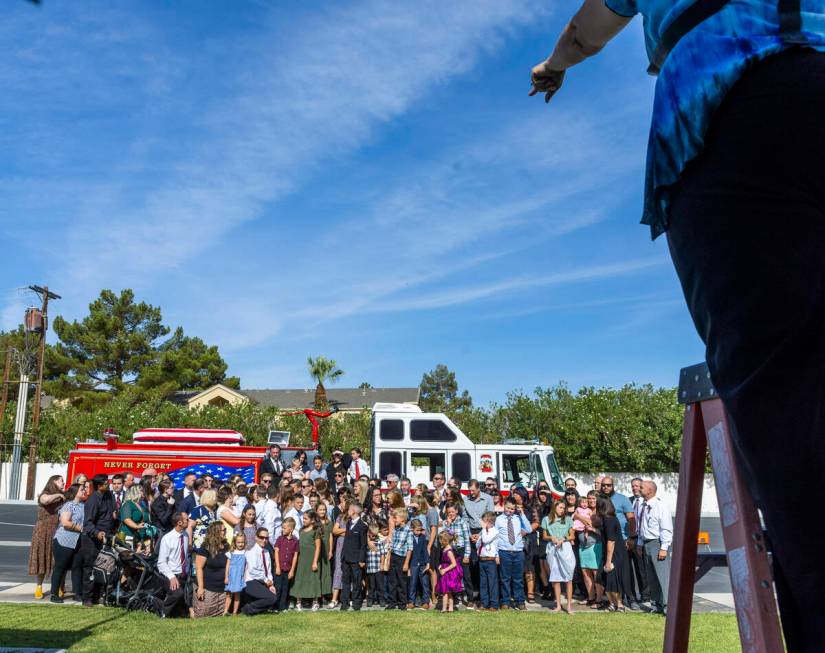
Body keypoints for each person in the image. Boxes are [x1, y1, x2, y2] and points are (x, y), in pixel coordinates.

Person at [80, 474, 116, 607]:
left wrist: (115, 517)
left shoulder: (109, 495)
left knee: (104, 567)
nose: (109, 484)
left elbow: (112, 513)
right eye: (106, 483)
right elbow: (88, 523)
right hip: (92, 539)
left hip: (107, 537)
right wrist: (97, 533)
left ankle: (100, 595)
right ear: (99, 486)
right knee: (90, 568)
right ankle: (87, 598)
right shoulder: (93, 500)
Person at [637, 480, 672, 615]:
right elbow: (642, 526)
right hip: (646, 543)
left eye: (642, 487)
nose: (639, 489)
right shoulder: (643, 505)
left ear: (650, 490)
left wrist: (664, 547)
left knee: (663, 576)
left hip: (657, 543)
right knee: (651, 576)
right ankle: (656, 604)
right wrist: (640, 544)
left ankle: (668, 606)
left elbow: (666, 528)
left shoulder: (660, 506)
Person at [50, 483, 87, 603]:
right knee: (60, 567)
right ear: (75, 492)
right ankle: (54, 594)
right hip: (64, 541)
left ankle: (77, 593)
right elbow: (65, 522)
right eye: (82, 489)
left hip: (78, 541)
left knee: (77, 567)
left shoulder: (83, 505)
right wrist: (80, 528)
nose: (84, 491)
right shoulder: (68, 505)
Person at [29, 474, 65, 599]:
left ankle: (59, 587)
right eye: (61, 481)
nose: (63, 483)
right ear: (54, 482)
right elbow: (45, 500)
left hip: (58, 530)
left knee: (58, 560)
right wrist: (59, 495)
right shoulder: (45, 493)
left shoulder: (63, 496)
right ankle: (39, 586)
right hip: (43, 531)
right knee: (42, 558)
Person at [495, 496, 532, 610]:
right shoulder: (499, 519)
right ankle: (505, 601)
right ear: (504, 506)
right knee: (505, 578)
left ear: (515, 508)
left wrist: (522, 514)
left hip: (518, 552)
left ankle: (519, 601)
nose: (509, 511)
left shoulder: (518, 518)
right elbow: (495, 537)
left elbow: (529, 529)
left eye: (512, 509)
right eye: (508, 508)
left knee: (518, 578)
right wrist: (496, 554)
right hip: (504, 551)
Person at [596, 497, 632, 612]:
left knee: (613, 579)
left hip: (615, 553)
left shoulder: (609, 519)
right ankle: (612, 604)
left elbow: (611, 541)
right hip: (611, 552)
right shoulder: (609, 518)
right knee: (605, 578)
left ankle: (619, 605)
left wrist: (608, 561)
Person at [463, 479, 494, 608]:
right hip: (470, 532)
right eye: (469, 490)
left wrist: (481, 535)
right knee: (469, 565)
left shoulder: (488, 499)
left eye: (473, 490)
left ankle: (483, 596)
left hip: (484, 532)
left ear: (478, 489)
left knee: (481, 565)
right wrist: (469, 534)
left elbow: (490, 518)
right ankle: (470, 596)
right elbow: (465, 518)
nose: (471, 492)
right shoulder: (466, 500)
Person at [542, 500, 576, 615]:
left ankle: (569, 606)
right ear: (554, 507)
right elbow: (544, 536)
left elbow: (572, 536)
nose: (563, 510)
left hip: (565, 548)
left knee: (568, 577)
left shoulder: (568, 519)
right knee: (555, 578)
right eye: (561, 507)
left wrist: (563, 539)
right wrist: (551, 538)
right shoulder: (546, 519)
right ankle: (558, 605)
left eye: (564, 508)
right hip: (552, 548)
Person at [156, 510, 190, 617]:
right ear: (179, 523)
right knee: (177, 593)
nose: (189, 520)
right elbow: (161, 563)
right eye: (186, 519)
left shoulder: (185, 535)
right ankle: (162, 610)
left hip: (183, 574)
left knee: (182, 612)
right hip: (170, 575)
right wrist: (171, 577)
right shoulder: (167, 539)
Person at [192, 521, 228, 618]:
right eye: (223, 530)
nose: (225, 532)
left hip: (222, 588)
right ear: (215, 532)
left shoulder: (226, 546)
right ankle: (190, 608)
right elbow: (199, 568)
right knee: (201, 614)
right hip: (207, 586)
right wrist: (200, 587)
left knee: (221, 614)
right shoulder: (205, 547)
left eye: (225, 530)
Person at [291, 511, 322, 611]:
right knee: (300, 578)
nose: (303, 520)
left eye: (306, 519)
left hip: (312, 559)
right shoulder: (301, 530)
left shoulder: (316, 531)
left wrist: (314, 562)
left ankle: (315, 602)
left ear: (312, 520)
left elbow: (318, 547)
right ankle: (298, 601)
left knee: (313, 579)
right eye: (303, 518)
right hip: (302, 559)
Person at [242, 527, 277, 615]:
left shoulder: (266, 552)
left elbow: (268, 570)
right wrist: (266, 580)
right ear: (256, 537)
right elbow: (253, 571)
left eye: (266, 538)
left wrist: (271, 584)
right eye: (261, 537)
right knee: (271, 598)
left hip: (262, 581)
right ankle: (248, 609)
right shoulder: (251, 552)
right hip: (251, 581)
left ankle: (255, 608)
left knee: (274, 597)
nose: (264, 540)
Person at [339, 502, 367, 611]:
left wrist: (361, 559)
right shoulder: (348, 523)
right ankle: (344, 603)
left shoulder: (362, 526)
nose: (348, 511)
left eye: (349, 509)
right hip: (346, 558)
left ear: (354, 511)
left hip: (356, 560)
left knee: (356, 581)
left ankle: (356, 603)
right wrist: (342, 555)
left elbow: (363, 544)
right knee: (345, 581)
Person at [386, 507, 414, 610]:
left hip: (402, 559)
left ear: (402, 518)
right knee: (392, 581)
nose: (393, 520)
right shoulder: (395, 530)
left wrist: (406, 563)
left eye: (395, 518)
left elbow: (410, 549)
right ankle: (392, 603)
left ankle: (402, 604)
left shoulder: (408, 531)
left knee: (402, 582)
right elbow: (392, 545)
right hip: (393, 557)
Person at [628, 476, 650, 606]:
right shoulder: (628, 501)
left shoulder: (646, 502)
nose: (635, 488)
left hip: (640, 539)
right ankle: (631, 596)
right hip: (628, 539)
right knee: (629, 569)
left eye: (637, 486)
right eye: (633, 486)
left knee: (642, 568)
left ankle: (645, 596)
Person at [274, 517, 299, 613]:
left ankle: (283, 607)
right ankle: (275, 607)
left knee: (285, 589)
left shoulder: (295, 541)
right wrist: (277, 567)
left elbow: (295, 557)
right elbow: (276, 552)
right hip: (279, 569)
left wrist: (292, 570)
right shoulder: (280, 539)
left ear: (291, 529)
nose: (282, 529)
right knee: (278, 588)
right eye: (282, 527)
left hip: (288, 569)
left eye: (284, 528)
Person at [435, 530, 463, 613]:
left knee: (445, 592)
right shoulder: (444, 549)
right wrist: (441, 565)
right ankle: (450, 609)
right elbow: (445, 561)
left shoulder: (449, 551)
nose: (439, 541)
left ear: (446, 540)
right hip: (445, 571)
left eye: (441, 540)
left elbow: (454, 564)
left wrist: (444, 570)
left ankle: (444, 609)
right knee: (448, 592)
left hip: (449, 573)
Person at [477, 511, 499, 611]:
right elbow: (479, 543)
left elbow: (486, 540)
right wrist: (477, 539)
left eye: (483, 520)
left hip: (490, 561)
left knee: (492, 583)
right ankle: (484, 603)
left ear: (489, 521)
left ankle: (494, 604)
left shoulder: (494, 531)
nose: (481, 522)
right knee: (483, 583)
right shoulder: (484, 531)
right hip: (482, 559)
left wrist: (483, 529)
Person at [406, 518, 431, 609]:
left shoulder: (423, 537)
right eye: (417, 530)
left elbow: (425, 550)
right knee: (413, 583)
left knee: (425, 583)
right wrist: (408, 566)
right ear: (412, 529)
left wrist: (428, 563)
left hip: (423, 563)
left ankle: (426, 602)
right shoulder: (409, 537)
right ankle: (411, 601)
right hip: (413, 564)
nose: (419, 532)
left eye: (420, 530)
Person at [223, 533, 247, 615]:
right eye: (238, 542)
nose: (240, 544)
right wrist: (226, 577)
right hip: (231, 576)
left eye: (242, 542)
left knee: (237, 594)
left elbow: (246, 566)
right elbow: (227, 566)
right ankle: (225, 611)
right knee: (229, 594)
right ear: (235, 542)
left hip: (239, 576)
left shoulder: (245, 553)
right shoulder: (231, 553)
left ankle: (234, 612)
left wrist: (245, 576)